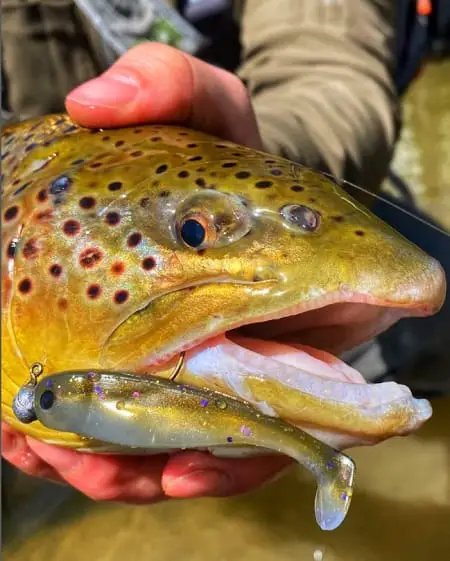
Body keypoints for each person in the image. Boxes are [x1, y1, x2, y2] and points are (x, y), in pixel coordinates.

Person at [0, 0, 416, 504]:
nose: (196, 234)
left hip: (241, 158)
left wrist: (269, 153)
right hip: (68, 188)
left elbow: (326, 64)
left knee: (431, 312)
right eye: (194, 233)